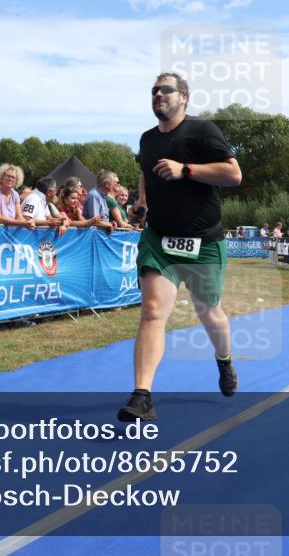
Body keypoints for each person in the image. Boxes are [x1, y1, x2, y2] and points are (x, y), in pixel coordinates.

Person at [117, 72, 242, 422]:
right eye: (154, 90)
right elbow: (146, 171)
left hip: (204, 243)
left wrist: (185, 169)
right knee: (153, 310)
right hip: (160, 240)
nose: (158, 94)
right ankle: (142, 396)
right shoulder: (147, 139)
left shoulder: (202, 131)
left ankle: (224, 361)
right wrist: (142, 202)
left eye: (166, 90)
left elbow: (234, 175)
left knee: (209, 313)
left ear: (184, 97)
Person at [0, 163, 36, 229]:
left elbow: (19, 218)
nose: (10, 179)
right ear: (2, 177)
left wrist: (29, 223)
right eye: (8, 176)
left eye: (13, 177)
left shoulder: (15, 194)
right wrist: (24, 223)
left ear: (17, 180)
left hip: (7, 233)